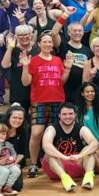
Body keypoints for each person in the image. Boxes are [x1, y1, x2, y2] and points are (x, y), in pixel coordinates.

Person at [22, 32, 73, 178]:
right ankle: (33, 164)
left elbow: (62, 81)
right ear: (39, 44)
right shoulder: (33, 61)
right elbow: (25, 82)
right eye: (45, 42)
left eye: (50, 42)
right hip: (39, 101)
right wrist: (25, 66)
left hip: (58, 101)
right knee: (36, 133)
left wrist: (68, 68)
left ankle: (55, 162)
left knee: (55, 134)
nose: (48, 44)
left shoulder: (57, 60)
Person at [42, 103, 99, 192]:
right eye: (64, 114)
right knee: (49, 154)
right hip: (57, 169)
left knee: (89, 151)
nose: (68, 117)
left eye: (70, 114)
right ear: (59, 115)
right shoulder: (52, 128)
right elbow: (46, 145)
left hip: (76, 165)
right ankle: (65, 179)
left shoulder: (81, 128)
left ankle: (88, 178)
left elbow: (94, 143)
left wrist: (80, 155)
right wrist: (64, 157)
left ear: (75, 115)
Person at [0, 25, 37, 110]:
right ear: (16, 36)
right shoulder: (13, 50)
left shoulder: (37, 50)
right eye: (21, 35)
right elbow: (4, 65)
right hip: (18, 93)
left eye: (26, 34)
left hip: (35, 92)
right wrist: (10, 47)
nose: (24, 37)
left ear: (31, 36)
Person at [77, 82, 99, 173]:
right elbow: (79, 131)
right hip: (89, 145)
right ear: (82, 93)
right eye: (87, 92)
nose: (90, 94)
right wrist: (93, 147)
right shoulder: (77, 110)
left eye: (92, 91)